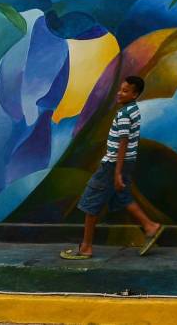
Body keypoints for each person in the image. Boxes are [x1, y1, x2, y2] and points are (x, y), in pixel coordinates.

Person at [60, 75, 164, 260]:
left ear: (134, 94)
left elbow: (123, 142)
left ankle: (86, 247)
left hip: (113, 165)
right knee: (123, 197)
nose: (119, 93)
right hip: (125, 163)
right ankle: (150, 226)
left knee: (91, 203)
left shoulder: (124, 114)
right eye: (120, 89)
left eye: (125, 91)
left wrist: (116, 173)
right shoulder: (134, 110)